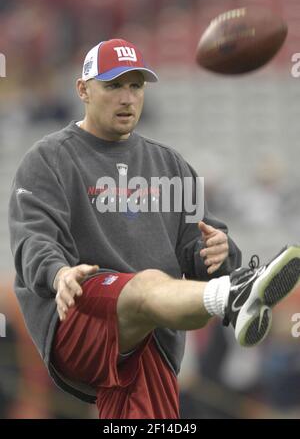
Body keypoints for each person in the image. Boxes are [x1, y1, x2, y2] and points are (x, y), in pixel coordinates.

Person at [9, 38, 300, 419]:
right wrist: (58, 272)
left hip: (152, 337)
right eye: (114, 85)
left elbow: (203, 245)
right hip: (77, 313)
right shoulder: (48, 158)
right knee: (146, 286)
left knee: (191, 307)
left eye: (136, 86)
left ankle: (233, 294)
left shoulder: (171, 165)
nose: (127, 98)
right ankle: (237, 295)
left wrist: (218, 255)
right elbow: (33, 239)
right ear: (83, 89)